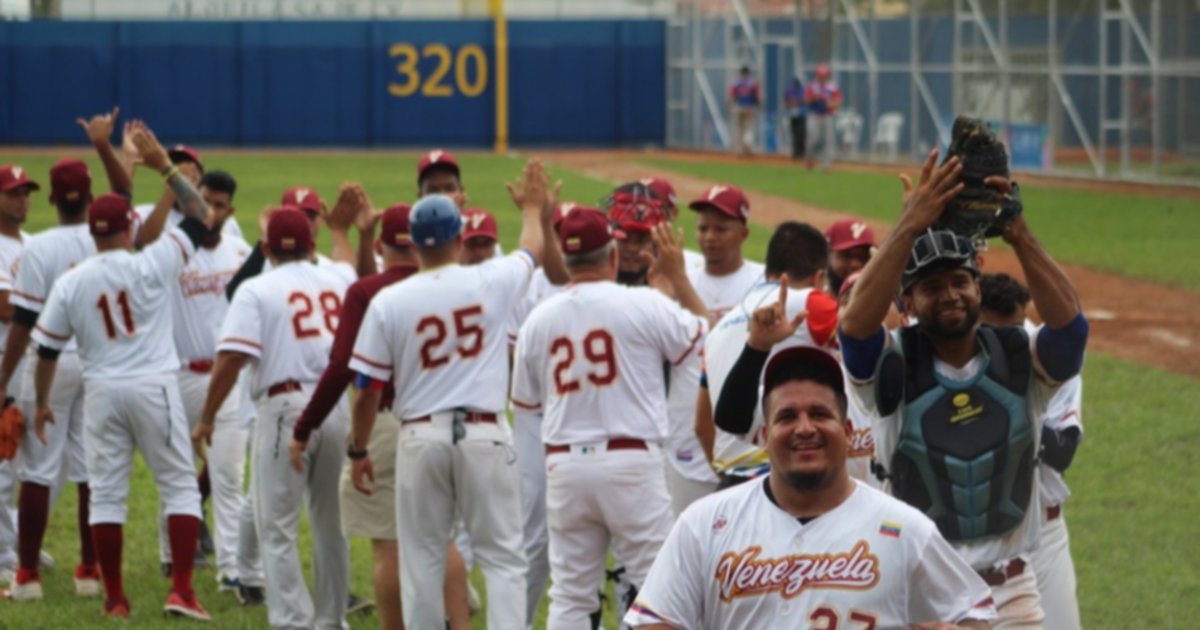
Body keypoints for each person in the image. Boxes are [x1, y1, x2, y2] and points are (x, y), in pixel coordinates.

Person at [837, 150, 1089, 626]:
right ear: (907, 301)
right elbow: (853, 330)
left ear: (978, 285)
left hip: (1012, 589)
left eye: (960, 281)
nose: (950, 294)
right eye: (932, 287)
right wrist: (908, 226)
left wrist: (1018, 232)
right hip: (925, 592)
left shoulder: (1020, 354)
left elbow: (1071, 333)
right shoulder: (892, 368)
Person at [624, 344, 997, 629]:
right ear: (765, 436)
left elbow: (975, 613)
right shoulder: (706, 523)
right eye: (787, 417)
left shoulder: (902, 528)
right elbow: (654, 619)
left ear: (848, 433)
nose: (804, 428)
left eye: (820, 414)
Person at [347, 161, 553, 629]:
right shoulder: (491, 279)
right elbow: (531, 248)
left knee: (421, 561)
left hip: (420, 436)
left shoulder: (388, 301)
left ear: (414, 243)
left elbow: (365, 391)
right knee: (503, 558)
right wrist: (534, 209)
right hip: (484, 433)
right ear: (460, 238)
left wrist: (359, 447)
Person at [30, 125, 215, 620]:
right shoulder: (152, 261)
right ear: (129, 229)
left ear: (92, 232)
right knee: (177, 485)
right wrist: (168, 169)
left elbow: (46, 350)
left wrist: (44, 401)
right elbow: (202, 214)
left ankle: (114, 598)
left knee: (108, 496)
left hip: (103, 391)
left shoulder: (72, 281)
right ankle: (181, 590)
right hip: (154, 385)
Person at [510, 209, 708, 627]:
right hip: (631, 463)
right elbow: (706, 338)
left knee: (570, 595)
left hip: (564, 465)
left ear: (566, 261)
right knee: (659, 587)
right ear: (613, 256)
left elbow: (526, 407)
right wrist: (674, 288)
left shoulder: (538, 320)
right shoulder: (644, 303)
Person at [287, 203, 472, 630]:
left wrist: (306, 427)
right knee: (440, 539)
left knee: (389, 546)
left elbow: (342, 367)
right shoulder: (459, 286)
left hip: (389, 424)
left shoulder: (369, 292)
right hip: (454, 423)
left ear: (386, 244)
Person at [197, 205, 360, 630]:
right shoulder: (337, 278)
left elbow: (232, 357)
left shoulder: (256, 289)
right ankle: (331, 620)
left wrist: (207, 416)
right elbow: (347, 263)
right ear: (311, 246)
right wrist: (343, 228)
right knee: (331, 524)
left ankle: (292, 621)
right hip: (334, 404)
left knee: (277, 527)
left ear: (266, 248)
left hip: (286, 409)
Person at [2, 108, 133, 601]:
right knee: (88, 470)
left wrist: (2, 381)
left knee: (37, 467)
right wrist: (106, 145)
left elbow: (23, 323)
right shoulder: (114, 230)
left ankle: (28, 575)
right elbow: (125, 195)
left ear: (51, 199)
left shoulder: (39, 248)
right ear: (91, 197)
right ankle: (87, 571)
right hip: (101, 363)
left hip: (50, 365)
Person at [131, 168, 255, 592]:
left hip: (226, 376)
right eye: (205, 201)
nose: (211, 210)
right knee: (176, 472)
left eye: (220, 204)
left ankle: (231, 570)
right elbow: (138, 244)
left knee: (227, 473)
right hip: (178, 372)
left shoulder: (242, 252)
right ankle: (172, 556)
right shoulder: (173, 250)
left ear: (230, 210)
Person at [979, 273, 1083, 630]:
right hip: (975, 540)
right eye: (994, 332)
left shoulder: (1048, 359)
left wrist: (1007, 410)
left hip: (1043, 534)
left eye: (1016, 329)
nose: (1009, 342)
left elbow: (1062, 452)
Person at [700, 223, 839, 487]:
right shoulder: (809, 302)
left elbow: (701, 422)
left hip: (728, 480)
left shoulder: (717, 330)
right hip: (783, 474)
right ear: (819, 277)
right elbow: (864, 333)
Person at [662, 184, 764, 515]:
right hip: (684, 433)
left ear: (744, 232)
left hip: (745, 440)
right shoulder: (683, 280)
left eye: (721, 228)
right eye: (703, 228)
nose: (709, 237)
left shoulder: (762, 282)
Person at [0, 163, 33, 591]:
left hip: (22, 358)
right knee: (5, 460)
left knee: (38, 460)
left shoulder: (27, 243)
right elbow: (6, 307)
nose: (23, 199)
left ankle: (19, 540)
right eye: (13, 193)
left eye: (26, 192)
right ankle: (5, 554)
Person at [805, 64, 842, 172]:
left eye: (824, 75)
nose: (822, 77)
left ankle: (826, 165)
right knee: (813, 139)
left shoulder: (832, 87)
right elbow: (806, 100)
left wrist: (832, 104)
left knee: (827, 141)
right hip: (814, 115)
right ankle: (810, 158)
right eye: (820, 75)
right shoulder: (812, 86)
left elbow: (837, 102)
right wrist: (814, 98)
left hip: (827, 115)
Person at [825, 218, 874, 297]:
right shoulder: (809, 305)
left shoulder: (885, 305)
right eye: (846, 256)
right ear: (826, 256)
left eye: (863, 257)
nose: (856, 264)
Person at [727, 66, 761, 157]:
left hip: (739, 107)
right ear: (748, 73)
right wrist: (759, 105)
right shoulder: (753, 82)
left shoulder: (736, 82)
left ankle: (739, 151)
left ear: (741, 73)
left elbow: (731, 96)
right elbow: (758, 96)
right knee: (749, 128)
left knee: (739, 129)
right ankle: (749, 149)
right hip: (750, 107)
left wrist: (730, 106)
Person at [783, 75, 807, 160]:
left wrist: (795, 101)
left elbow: (805, 100)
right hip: (794, 114)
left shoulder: (802, 90)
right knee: (796, 135)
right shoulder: (791, 90)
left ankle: (800, 153)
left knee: (800, 134)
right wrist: (792, 102)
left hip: (801, 114)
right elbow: (785, 101)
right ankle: (796, 154)